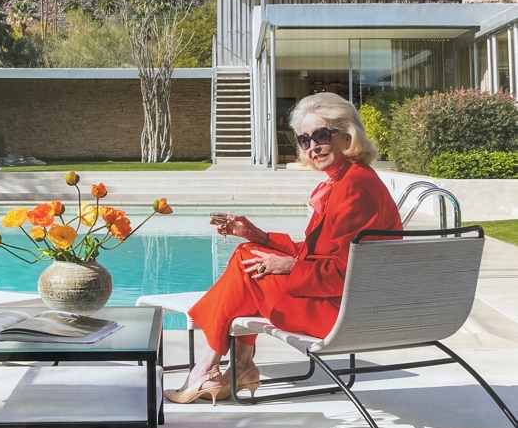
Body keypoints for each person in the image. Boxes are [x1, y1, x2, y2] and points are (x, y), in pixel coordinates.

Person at [166, 92, 402, 405]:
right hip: (351, 305)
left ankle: (209, 368)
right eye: (304, 139)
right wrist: (258, 235)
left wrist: (287, 265)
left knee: (246, 260)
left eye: (321, 135)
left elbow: (346, 273)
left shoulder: (353, 188)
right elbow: (320, 251)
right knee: (249, 254)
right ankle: (237, 365)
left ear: (347, 136)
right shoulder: (348, 180)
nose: (312, 146)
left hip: (344, 313)